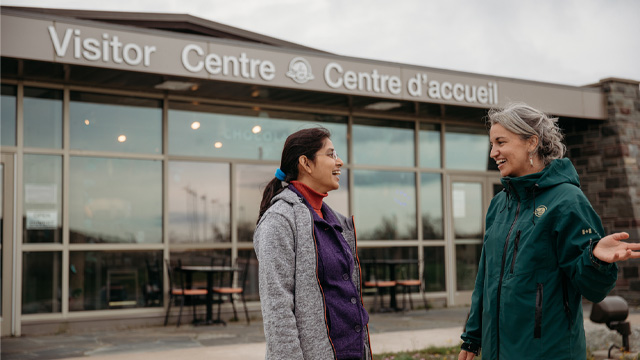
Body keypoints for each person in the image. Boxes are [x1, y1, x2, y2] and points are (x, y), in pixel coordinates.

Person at [458, 102, 640, 360]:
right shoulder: (499, 204)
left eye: (501, 142)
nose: (493, 152)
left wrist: (595, 260)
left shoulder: (567, 201)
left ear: (531, 142)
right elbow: (485, 278)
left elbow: (593, 289)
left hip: (548, 352)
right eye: (492, 144)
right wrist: (472, 337)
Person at [254, 127, 372, 360]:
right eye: (330, 154)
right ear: (305, 163)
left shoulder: (335, 221)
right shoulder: (279, 220)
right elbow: (277, 309)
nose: (339, 162)